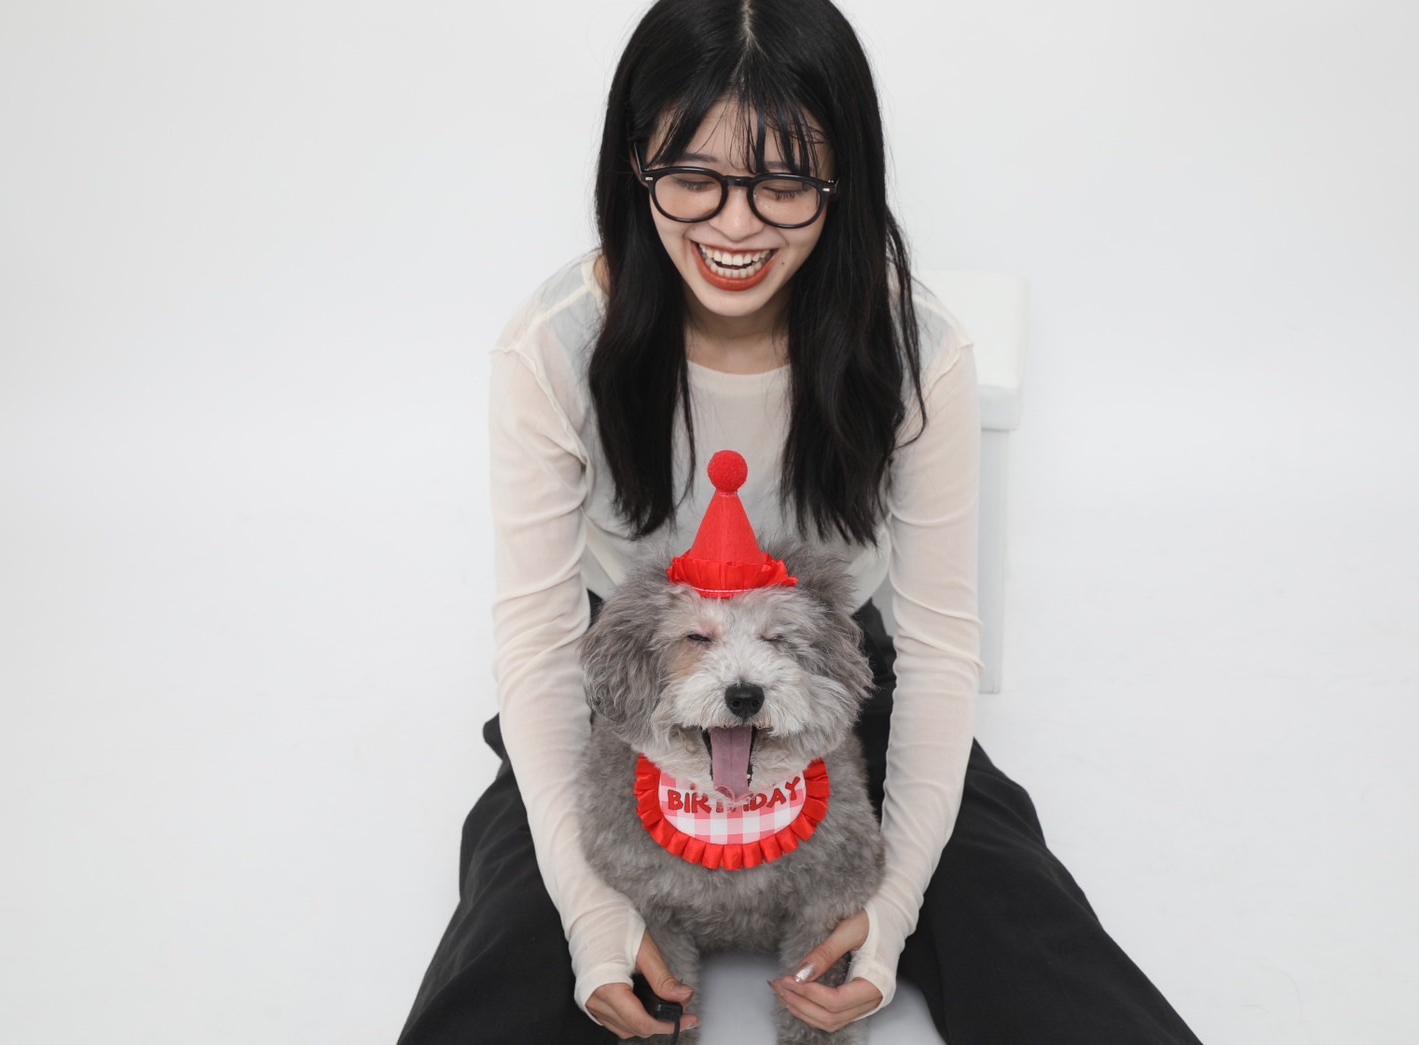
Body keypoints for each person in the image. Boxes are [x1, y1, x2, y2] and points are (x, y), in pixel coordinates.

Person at [399, 0, 1203, 1041]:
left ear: (843, 179)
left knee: (1013, 909)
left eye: (783, 184)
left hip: (824, 658)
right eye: (692, 177)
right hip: (627, 671)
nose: (735, 227)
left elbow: (939, 648)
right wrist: (593, 914)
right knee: (516, 937)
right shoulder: (553, 346)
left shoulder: (920, 351)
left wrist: (892, 908)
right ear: (634, 164)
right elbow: (541, 651)